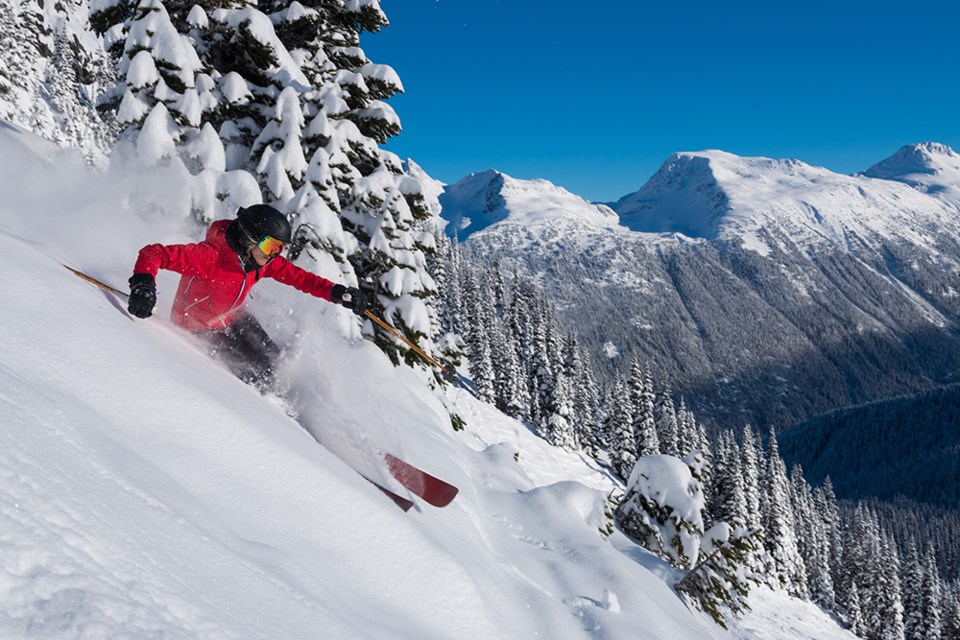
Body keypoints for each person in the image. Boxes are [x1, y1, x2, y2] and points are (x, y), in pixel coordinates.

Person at [127, 204, 369, 390]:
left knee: (277, 365)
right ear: (248, 237)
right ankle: (264, 412)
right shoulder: (209, 257)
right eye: (270, 246)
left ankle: (292, 403)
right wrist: (143, 284)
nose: (274, 255)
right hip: (200, 332)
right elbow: (154, 253)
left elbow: (301, 278)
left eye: (279, 249)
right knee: (256, 377)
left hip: (234, 319)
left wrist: (338, 293)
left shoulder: (259, 263)